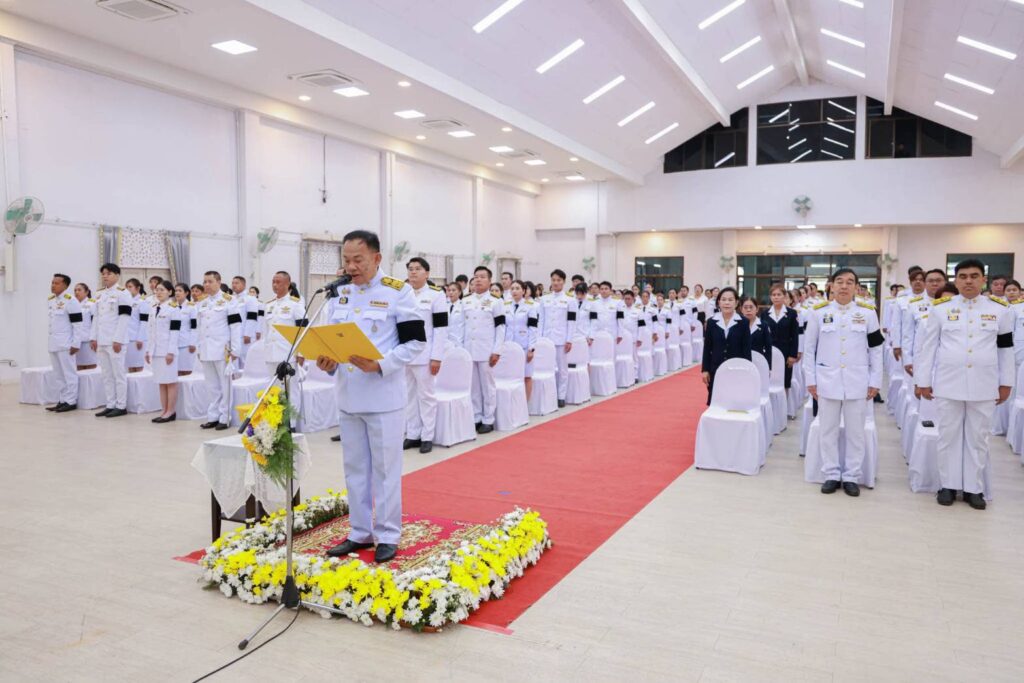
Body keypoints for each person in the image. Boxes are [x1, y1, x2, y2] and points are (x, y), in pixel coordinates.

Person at [317, 230, 425, 564]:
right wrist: (328, 361)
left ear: (377, 258)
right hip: (349, 396)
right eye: (346, 260)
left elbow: (415, 342)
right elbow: (330, 339)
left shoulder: (398, 291)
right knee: (355, 470)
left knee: (385, 471)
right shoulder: (339, 293)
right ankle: (360, 531)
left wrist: (381, 364)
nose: (351, 267)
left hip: (383, 398)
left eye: (358, 260)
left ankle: (388, 534)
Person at [915, 259, 1015, 510]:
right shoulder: (940, 308)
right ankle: (947, 486)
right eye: (963, 276)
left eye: (974, 276)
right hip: (948, 383)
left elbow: (1005, 350)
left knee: (978, 438)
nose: (968, 281)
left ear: (983, 280)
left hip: (984, 384)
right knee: (947, 436)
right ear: (956, 280)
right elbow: (928, 347)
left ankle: (974, 488)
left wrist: (1006, 382)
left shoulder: (1000, 309)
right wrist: (923, 381)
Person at [803, 268, 883, 497]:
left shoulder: (868, 313)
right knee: (827, 430)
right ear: (831, 285)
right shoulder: (818, 312)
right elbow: (809, 349)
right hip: (826, 381)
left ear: (856, 287)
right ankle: (830, 473)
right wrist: (811, 380)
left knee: (855, 433)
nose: (844, 286)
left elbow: (876, 350)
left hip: (858, 381)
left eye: (850, 282)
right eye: (840, 281)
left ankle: (851, 476)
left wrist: (875, 380)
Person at [403, 257, 448, 454]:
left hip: (425, 354)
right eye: (410, 269)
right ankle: (413, 434)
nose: (413, 272)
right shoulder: (403, 293)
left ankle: (427, 436)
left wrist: (436, 356)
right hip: (405, 353)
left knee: (426, 396)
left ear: (427, 273)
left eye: (418, 269)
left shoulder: (436, 295)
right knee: (409, 396)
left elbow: (441, 328)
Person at [196, 271, 242, 430]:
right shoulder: (202, 303)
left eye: (210, 281)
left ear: (219, 282)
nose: (206, 285)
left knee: (224, 385)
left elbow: (235, 326)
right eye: (204, 282)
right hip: (206, 349)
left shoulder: (229, 301)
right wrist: (199, 347)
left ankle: (224, 417)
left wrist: (235, 349)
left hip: (223, 349)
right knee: (211, 386)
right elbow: (199, 328)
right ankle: (213, 416)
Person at [463, 265, 506, 434]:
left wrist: (497, 350)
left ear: (489, 280)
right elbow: (461, 326)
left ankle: (488, 419)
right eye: (476, 277)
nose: (478, 280)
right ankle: (476, 417)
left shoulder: (496, 301)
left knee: (488, 386)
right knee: (473, 386)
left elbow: (500, 328)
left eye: (482, 277)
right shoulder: (466, 300)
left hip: (486, 350)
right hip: (469, 349)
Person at [90, 263, 133, 418]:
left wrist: (118, 339)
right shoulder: (99, 294)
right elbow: (96, 317)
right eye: (103, 273)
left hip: (115, 340)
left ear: (117, 275)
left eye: (108, 273)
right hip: (102, 339)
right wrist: (93, 337)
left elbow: (124, 317)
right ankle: (110, 404)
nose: (105, 276)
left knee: (118, 374)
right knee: (106, 374)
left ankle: (121, 406)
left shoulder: (123, 293)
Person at [701, 288, 751, 405]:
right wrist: (705, 370)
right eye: (723, 300)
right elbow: (707, 348)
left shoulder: (743, 322)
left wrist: (747, 370)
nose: (727, 303)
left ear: (736, 303)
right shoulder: (712, 322)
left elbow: (746, 348)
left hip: (737, 369)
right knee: (716, 402)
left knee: (734, 401)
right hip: (716, 369)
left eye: (730, 300)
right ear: (718, 302)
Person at [539, 269, 578, 407]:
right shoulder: (544, 299)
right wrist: (539, 338)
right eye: (553, 280)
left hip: (562, 339)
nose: (555, 283)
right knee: (548, 367)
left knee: (562, 369)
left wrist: (569, 339)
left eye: (558, 280)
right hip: (547, 338)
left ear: (564, 282)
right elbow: (541, 320)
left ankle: (561, 396)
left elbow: (572, 322)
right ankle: (550, 395)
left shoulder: (570, 300)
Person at [45, 273, 83, 413]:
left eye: (57, 283)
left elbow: (77, 324)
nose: (53, 285)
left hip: (66, 344)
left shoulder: (71, 301)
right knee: (58, 375)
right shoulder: (51, 300)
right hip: (54, 343)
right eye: (52, 282)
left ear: (65, 285)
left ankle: (71, 401)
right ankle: (62, 400)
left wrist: (76, 343)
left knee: (69, 373)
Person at [146, 279, 181, 423]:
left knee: (170, 382)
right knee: (161, 382)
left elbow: (175, 332)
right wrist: (148, 350)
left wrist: (171, 351)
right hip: (156, 351)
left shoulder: (174, 308)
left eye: (162, 290)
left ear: (170, 292)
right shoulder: (153, 308)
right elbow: (150, 331)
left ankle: (171, 411)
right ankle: (164, 410)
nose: (158, 292)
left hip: (168, 351)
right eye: (157, 290)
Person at [901, 269, 946, 379]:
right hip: (921, 358)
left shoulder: (953, 305)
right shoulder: (914, 305)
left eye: (938, 280)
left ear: (945, 282)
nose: (935, 284)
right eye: (931, 281)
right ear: (925, 284)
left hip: (947, 360)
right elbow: (907, 335)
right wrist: (907, 359)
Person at [263, 271, 307, 377]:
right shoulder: (269, 305)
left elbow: (303, 330)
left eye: (278, 282)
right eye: (273, 282)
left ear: (287, 284)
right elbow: (266, 331)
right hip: (271, 354)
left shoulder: (296, 304)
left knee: (290, 386)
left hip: (288, 354)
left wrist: (301, 353)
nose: (275, 285)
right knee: (273, 386)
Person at [761, 284, 799, 389]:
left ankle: (785, 400)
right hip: (769, 351)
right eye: (773, 295)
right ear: (770, 297)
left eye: (779, 294)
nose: (776, 297)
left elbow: (795, 335)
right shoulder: (765, 314)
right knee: (769, 381)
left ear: (784, 296)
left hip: (786, 352)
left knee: (785, 381)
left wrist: (793, 355)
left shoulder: (792, 313)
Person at [505, 279, 539, 399]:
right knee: (511, 375)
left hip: (524, 345)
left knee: (526, 376)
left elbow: (533, 328)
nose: (514, 291)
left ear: (523, 291)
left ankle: (525, 403)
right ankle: (514, 401)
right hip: (509, 345)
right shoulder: (505, 306)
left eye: (517, 288)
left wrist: (531, 348)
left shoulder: (530, 307)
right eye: (512, 289)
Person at [231, 275, 259, 367]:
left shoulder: (250, 298)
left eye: (237, 283)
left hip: (244, 335)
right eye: (233, 283)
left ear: (244, 285)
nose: (234, 285)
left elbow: (252, 317)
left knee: (245, 361)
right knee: (233, 362)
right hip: (234, 335)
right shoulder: (231, 299)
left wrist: (248, 334)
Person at [124, 278, 150, 373]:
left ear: (138, 288)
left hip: (137, 338)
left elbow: (144, 321)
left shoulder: (142, 302)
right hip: (127, 338)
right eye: (126, 287)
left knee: (138, 366)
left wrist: (140, 338)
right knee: (130, 366)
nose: (128, 289)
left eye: (130, 287)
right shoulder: (126, 301)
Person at [739, 296, 772, 367]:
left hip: (759, 362)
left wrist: (768, 366)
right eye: (745, 307)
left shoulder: (764, 325)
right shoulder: (737, 325)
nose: (748, 310)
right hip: (742, 362)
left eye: (751, 307)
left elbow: (768, 347)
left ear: (757, 309)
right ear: (741, 309)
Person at [174, 283, 197, 376]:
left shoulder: (192, 307)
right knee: (175, 372)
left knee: (186, 371)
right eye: (176, 291)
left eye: (180, 291)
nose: (177, 293)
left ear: (186, 293)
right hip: (174, 343)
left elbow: (194, 326)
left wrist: (192, 343)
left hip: (186, 343)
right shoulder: (172, 306)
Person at [73, 283, 98, 370]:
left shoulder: (92, 304)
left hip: (88, 341)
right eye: (75, 290)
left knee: (90, 367)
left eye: (79, 290)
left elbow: (95, 322)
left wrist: (94, 339)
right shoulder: (73, 305)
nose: (76, 292)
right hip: (77, 342)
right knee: (78, 368)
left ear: (86, 292)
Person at [445, 282, 465, 346]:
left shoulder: (463, 306)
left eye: (453, 290)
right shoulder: (443, 305)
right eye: (449, 290)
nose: (451, 292)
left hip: (459, 341)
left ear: (459, 292)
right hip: (445, 341)